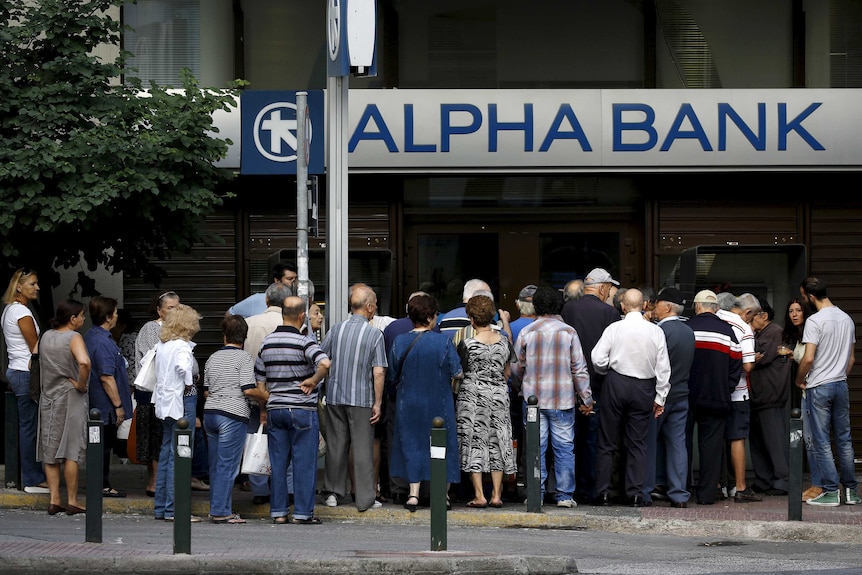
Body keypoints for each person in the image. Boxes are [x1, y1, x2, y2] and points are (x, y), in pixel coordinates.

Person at [590, 288, 671, 507]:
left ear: (623, 306)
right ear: (644, 305)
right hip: (644, 386)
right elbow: (663, 368)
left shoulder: (614, 328)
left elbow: (597, 358)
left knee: (607, 441)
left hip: (616, 383)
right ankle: (635, 493)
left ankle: (604, 492)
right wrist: (660, 397)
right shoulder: (655, 331)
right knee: (638, 443)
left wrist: (607, 370)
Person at [515, 286, 593, 508]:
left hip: (533, 401)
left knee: (535, 448)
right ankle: (565, 495)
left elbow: (517, 366)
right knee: (564, 447)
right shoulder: (569, 332)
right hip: (562, 400)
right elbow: (579, 368)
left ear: (536, 306)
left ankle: (535, 494)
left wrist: (521, 386)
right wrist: (586, 398)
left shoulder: (527, 332)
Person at [256, 296, 330, 524]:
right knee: (303, 463)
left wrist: (266, 405)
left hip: (275, 409)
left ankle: (278, 513)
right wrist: (313, 380)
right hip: (301, 410)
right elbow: (325, 363)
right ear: (301, 316)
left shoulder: (266, 343)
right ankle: (302, 513)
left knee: (278, 464)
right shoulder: (305, 342)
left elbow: (259, 381)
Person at [388, 293, 462, 512]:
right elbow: (457, 372)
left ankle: (413, 494)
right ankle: (442, 494)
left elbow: (393, 373)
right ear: (430, 317)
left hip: (408, 400)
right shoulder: (443, 341)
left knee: (411, 444)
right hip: (438, 400)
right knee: (442, 445)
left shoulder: (400, 341)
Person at [320, 283, 388, 511]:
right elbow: (378, 371)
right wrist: (377, 402)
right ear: (368, 307)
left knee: (336, 446)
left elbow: (322, 360)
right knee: (362, 448)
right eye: (375, 304)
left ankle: (332, 493)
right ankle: (364, 497)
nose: (376, 307)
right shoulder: (374, 334)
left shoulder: (335, 329)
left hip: (336, 396)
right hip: (361, 399)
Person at [797, 277, 860, 506]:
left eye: (804, 298)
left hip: (819, 386)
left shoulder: (815, 321)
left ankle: (832, 491)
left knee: (821, 441)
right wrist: (838, 374)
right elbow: (851, 359)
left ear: (811, 297)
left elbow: (809, 357)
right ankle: (851, 491)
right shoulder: (847, 319)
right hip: (841, 384)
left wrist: (799, 379)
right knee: (844, 439)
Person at [560, 267, 620, 503]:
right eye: (609, 288)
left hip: (569, 384)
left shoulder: (567, 309)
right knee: (595, 439)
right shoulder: (610, 313)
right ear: (603, 287)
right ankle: (591, 488)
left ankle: (570, 488)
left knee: (569, 439)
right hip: (599, 384)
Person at [203, 315, 269, 524]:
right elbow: (248, 390)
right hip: (232, 415)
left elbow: (205, 391)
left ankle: (217, 506)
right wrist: (268, 397)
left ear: (224, 337)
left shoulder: (212, 357)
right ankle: (221, 511)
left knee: (215, 465)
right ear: (245, 337)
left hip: (210, 414)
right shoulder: (243, 359)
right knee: (228, 465)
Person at [456, 294, 516, 509]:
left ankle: (480, 494)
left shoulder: (467, 344)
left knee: (474, 442)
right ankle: (497, 495)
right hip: (498, 394)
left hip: (472, 396)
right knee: (497, 441)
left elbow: (459, 372)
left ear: (471, 319)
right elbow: (508, 372)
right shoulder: (504, 342)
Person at [684, 290, 742, 506]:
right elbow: (736, 364)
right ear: (715, 308)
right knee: (711, 447)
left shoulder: (687, 328)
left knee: (683, 444)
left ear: (697, 306)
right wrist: (726, 388)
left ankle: (683, 491)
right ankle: (707, 495)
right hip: (717, 397)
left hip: (687, 397)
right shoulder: (729, 332)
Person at [381, 291, 439, 504]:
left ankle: (398, 489)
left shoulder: (393, 329)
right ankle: (426, 490)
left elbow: (389, 368)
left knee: (397, 441)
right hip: (428, 397)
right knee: (426, 442)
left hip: (400, 396)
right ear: (429, 314)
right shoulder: (436, 335)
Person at [241, 282, 294, 506]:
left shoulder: (248, 324)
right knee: (286, 442)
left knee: (255, 438)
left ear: (266, 301)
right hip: (283, 393)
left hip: (252, 391)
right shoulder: (291, 323)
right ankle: (287, 489)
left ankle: (260, 489)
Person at [37, 299, 91, 515]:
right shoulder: (74, 337)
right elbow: (84, 362)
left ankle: (54, 499)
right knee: (71, 449)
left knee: (50, 449)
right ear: (72, 319)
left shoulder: (46, 336)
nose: (83, 319)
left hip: (48, 396)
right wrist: (81, 384)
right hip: (70, 395)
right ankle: (72, 500)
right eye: (81, 316)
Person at [152, 303, 203, 522]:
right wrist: (190, 381)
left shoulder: (163, 345)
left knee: (166, 452)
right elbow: (183, 368)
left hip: (165, 403)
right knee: (181, 453)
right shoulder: (182, 347)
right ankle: (175, 509)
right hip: (183, 401)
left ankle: (162, 507)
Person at [643, 287, 694, 508]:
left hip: (660, 396)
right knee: (677, 445)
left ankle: (646, 489)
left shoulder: (660, 331)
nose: (654, 307)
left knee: (649, 442)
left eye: (657, 303)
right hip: (682, 394)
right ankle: (679, 494)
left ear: (667, 306)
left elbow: (654, 365)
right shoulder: (688, 331)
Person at [2, 268, 48, 493]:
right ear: (19, 287)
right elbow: (35, 348)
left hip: (17, 370)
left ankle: (32, 477)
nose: (37, 288)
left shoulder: (10, 310)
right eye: (32, 284)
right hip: (25, 372)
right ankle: (32, 479)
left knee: (27, 427)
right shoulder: (21, 313)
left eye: (37, 283)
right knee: (30, 428)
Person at [84, 296, 134, 498]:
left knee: (100, 446)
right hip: (103, 405)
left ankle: (100, 483)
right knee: (102, 447)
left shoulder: (91, 336)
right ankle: (102, 485)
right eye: (114, 313)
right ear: (108, 317)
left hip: (98, 402)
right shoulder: (102, 341)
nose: (116, 316)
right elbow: (106, 377)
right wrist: (119, 405)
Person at [716, 292, 763, 503]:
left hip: (714, 391)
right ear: (748, 312)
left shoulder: (715, 319)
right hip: (737, 392)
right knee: (737, 438)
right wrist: (753, 360)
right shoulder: (744, 328)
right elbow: (747, 365)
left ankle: (718, 486)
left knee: (713, 438)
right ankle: (741, 487)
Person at [133, 291, 180, 497]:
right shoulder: (152, 328)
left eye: (177, 307)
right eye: (170, 307)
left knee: (160, 436)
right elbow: (156, 355)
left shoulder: (175, 329)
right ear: (159, 310)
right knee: (154, 438)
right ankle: (154, 483)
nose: (175, 310)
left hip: (164, 391)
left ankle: (158, 482)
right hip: (151, 391)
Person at [749, 297, 791, 496]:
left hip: (769, 396)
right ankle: (763, 480)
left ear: (764, 316)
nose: (749, 320)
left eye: (752, 316)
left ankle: (781, 481)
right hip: (759, 397)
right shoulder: (761, 333)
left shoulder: (774, 332)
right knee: (759, 441)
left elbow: (760, 358)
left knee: (774, 440)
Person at [782, 297, 821, 501]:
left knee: (812, 439)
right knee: (811, 439)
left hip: (812, 389)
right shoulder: (798, 336)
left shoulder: (811, 332)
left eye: (798, 310)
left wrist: (798, 379)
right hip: (809, 391)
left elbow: (809, 359)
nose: (794, 314)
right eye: (791, 311)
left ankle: (820, 485)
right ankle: (820, 484)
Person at [227, 263, 298, 318]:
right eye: (289, 279)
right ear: (277, 280)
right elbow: (230, 314)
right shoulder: (256, 300)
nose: (294, 282)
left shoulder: (298, 301)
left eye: (295, 279)